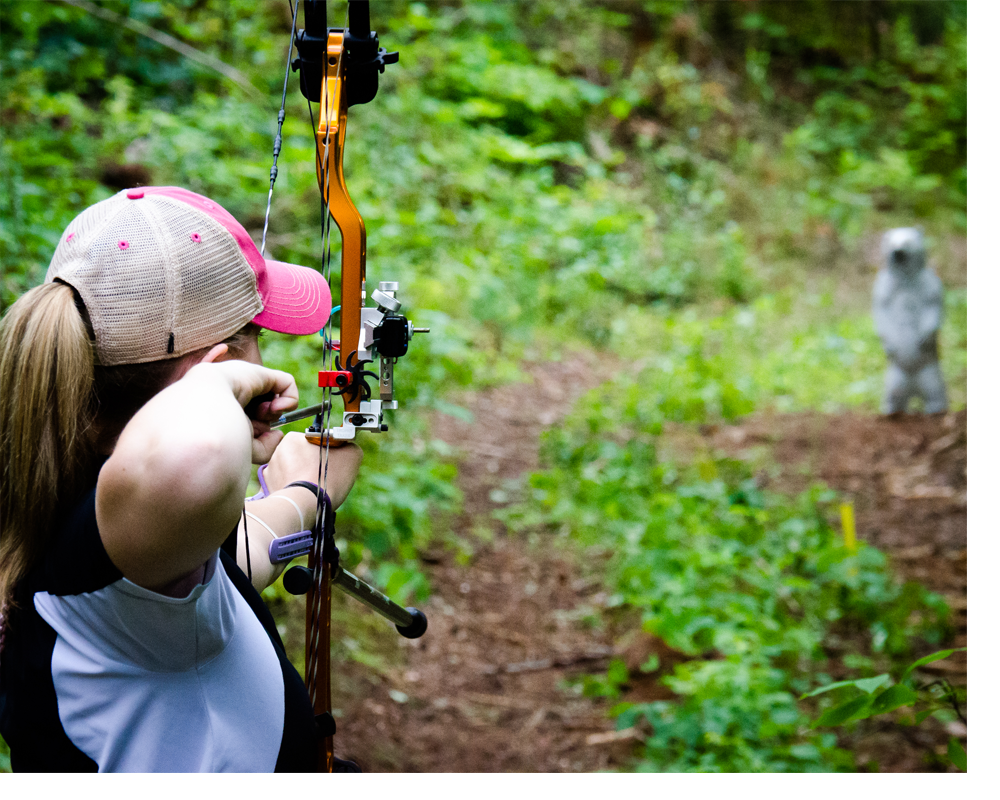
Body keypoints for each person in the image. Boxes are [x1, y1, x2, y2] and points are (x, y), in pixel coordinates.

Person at [0, 186, 363, 772]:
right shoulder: (101, 536)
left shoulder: (111, 521)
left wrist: (303, 498)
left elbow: (223, 563)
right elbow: (191, 467)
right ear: (221, 369)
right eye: (257, 340)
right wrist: (217, 386)